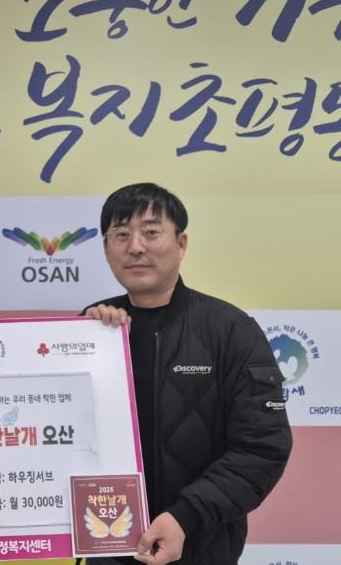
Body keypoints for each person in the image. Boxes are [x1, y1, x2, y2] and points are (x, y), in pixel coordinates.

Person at [82, 183, 291, 565]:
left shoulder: (230, 330)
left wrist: (185, 516)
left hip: (201, 544)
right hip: (106, 545)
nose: (135, 247)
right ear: (106, 247)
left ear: (181, 243)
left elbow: (262, 447)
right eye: (121, 235)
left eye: (151, 232)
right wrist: (86, 342)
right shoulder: (90, 330)